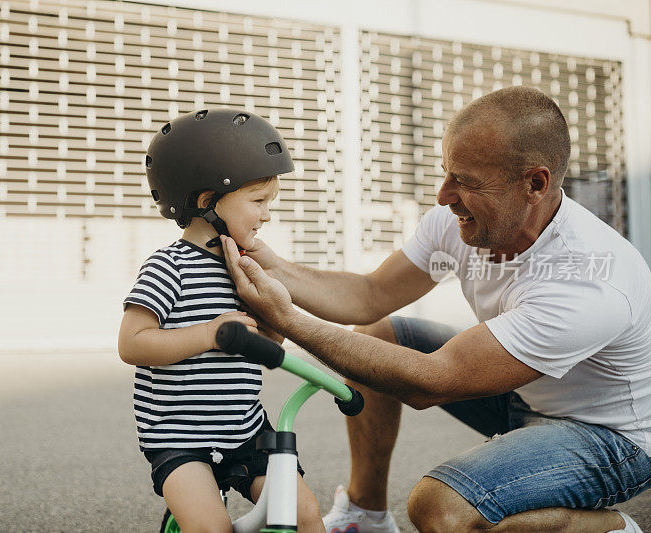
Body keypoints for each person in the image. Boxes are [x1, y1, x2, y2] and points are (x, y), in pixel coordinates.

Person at [218, 86, 651, 533]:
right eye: (446, 172)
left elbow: (433, 382)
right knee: (377, 332)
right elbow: (370, 295)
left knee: (441, 509)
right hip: (525, 394)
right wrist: (268, 263)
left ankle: (612, 528)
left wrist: (289, 320)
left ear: (534, 184)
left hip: (609, 438)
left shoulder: (588, 278)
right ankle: (366, 515)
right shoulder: (463, 222)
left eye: (466, 181)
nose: (444, 196)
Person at [118, 108, 324, 532]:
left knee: (304, 516)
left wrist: (274, 313)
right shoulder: (167, 267)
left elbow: (270, 345)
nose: (267, 214)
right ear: (208, 202)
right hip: (178, 439)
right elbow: (133, 343)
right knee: (213, 528)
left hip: (245, 429)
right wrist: (209, 334)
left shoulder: (244, 270)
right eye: (258, 202)